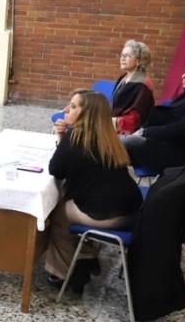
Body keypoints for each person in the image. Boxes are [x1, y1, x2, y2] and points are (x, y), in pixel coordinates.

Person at [45, 90, 142, 293]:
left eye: (72, 106)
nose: (66, 110)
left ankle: (61, 273)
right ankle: (85, 255)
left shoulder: (75, 137)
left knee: (58, 212)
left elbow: (56, 170)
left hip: (107, 216)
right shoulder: (110, 137)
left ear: (85, 113)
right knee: (72, 201)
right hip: (132, 210)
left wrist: (61, 136)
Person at [122, 55, 185, 171]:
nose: (184, 76)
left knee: (120, 143)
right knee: (114, 142)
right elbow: (171, 117)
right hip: (169, 145)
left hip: (181, 157)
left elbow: (183, 129)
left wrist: (145, 132)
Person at [111, 40, 155, 135]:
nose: (122, 58)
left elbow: (135, 119)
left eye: (127, 56)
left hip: (131, 133)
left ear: (138, 61)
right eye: (122, 55)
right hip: (115, 125)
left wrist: (111, 122)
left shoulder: (144, 84)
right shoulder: (123, 78)